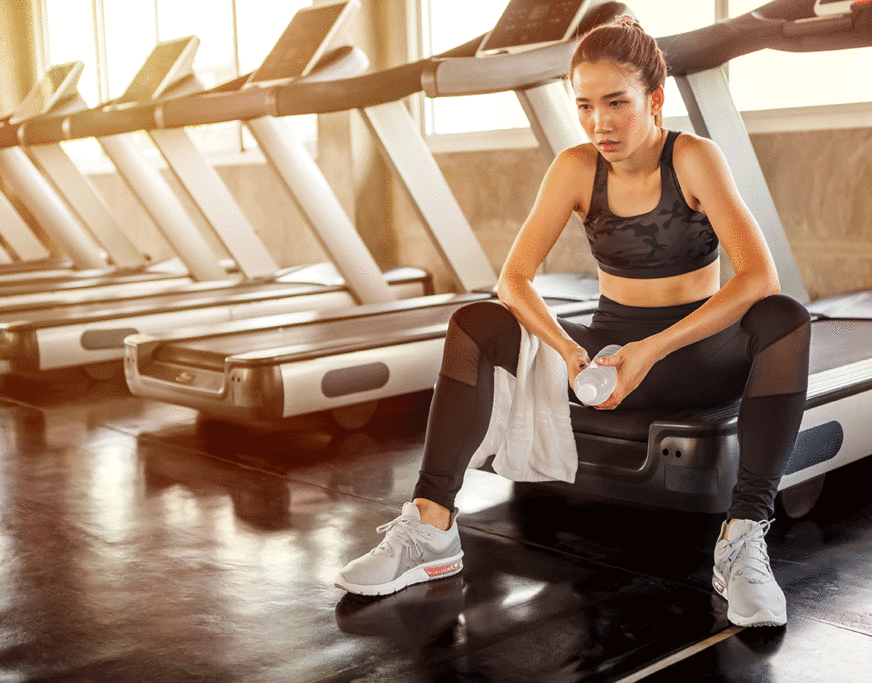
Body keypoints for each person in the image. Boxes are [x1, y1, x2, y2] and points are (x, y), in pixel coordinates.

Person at [336, 15, 810, 629]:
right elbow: (514, 280)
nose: (599, 122)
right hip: (608, 350)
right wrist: (564, 349)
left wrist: (651, 350)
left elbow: (757, 279)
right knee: (476, 323)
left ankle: (742, 538)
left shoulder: (693, 158)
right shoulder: (575, 166)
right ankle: (430, 528)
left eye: (616, 103)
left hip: (694, 356)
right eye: (585, 105)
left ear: (655, 99)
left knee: (785, 317)